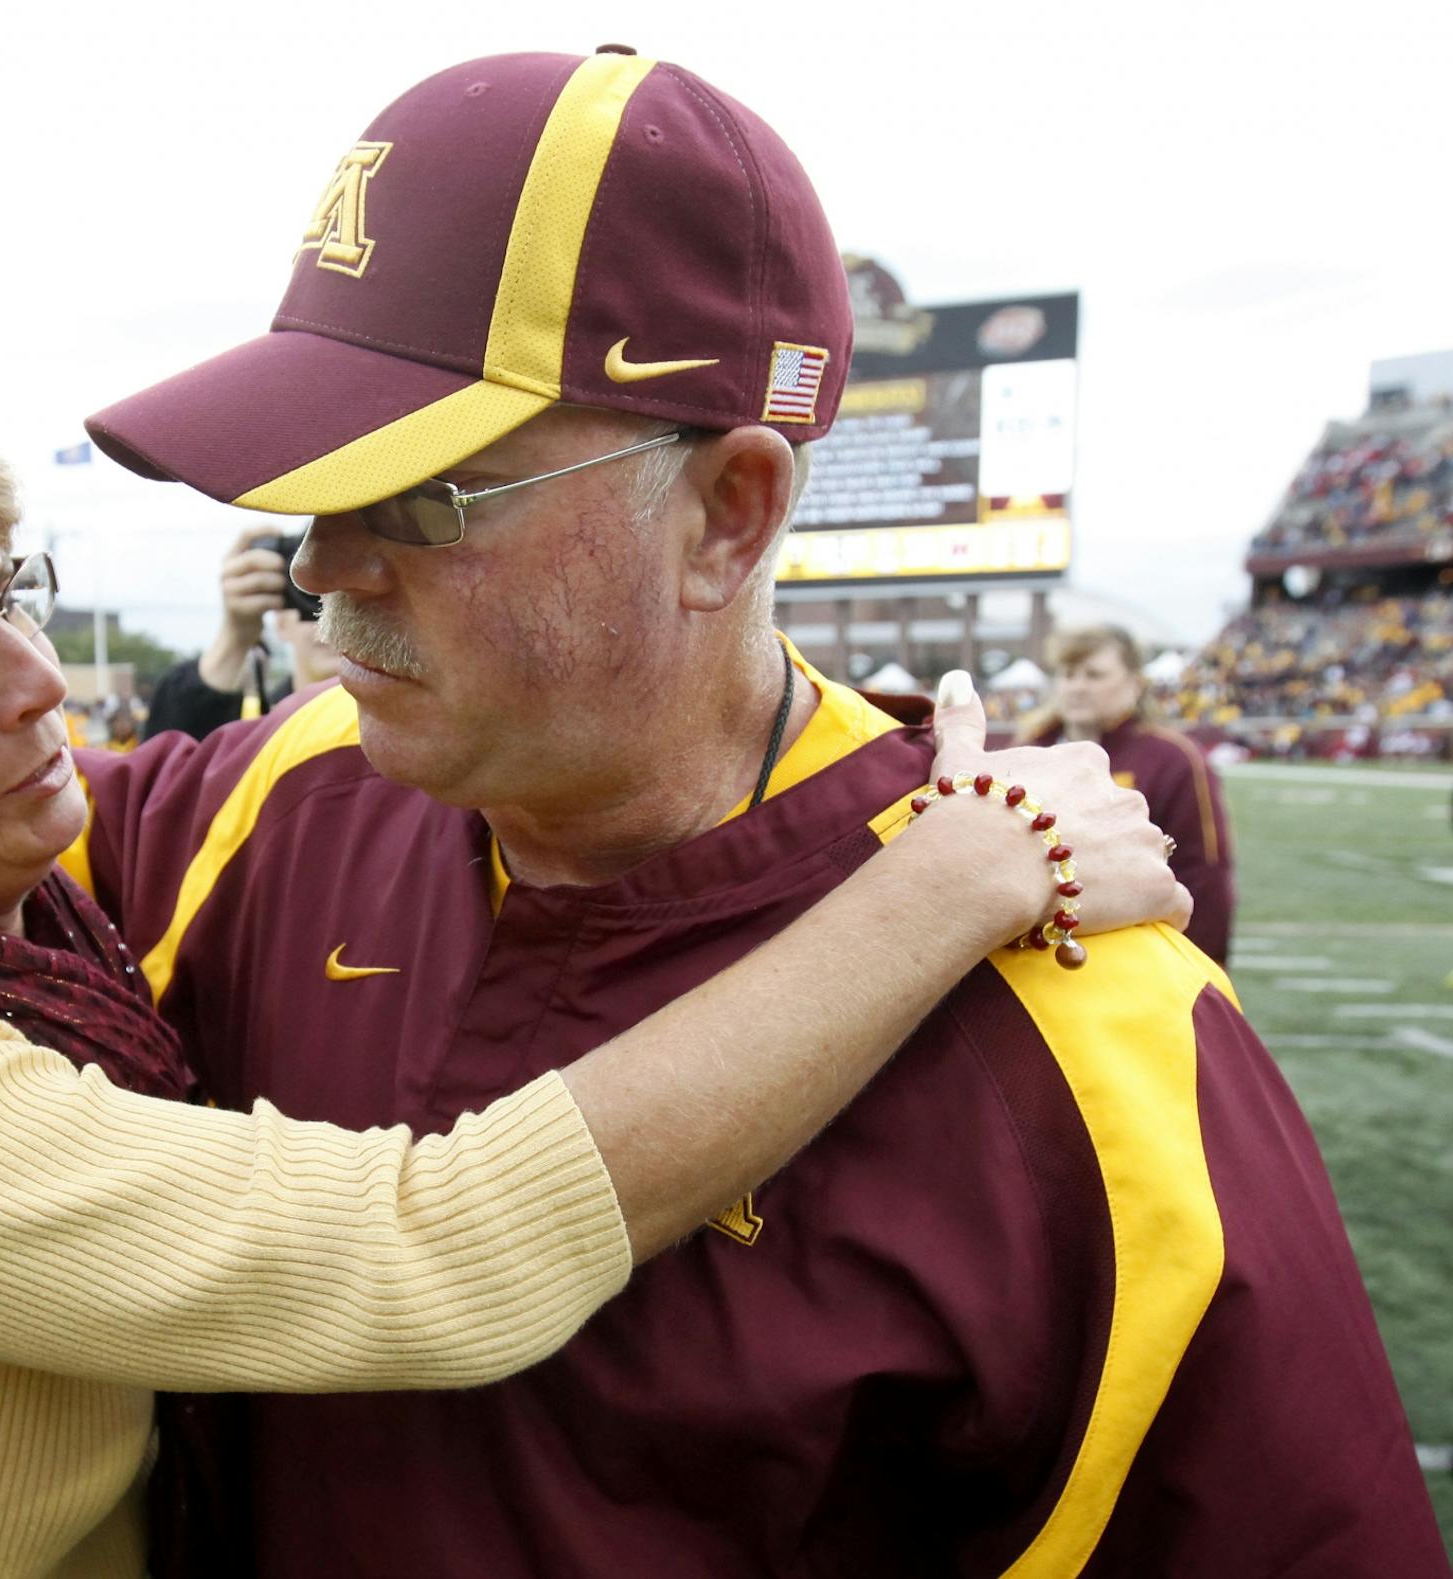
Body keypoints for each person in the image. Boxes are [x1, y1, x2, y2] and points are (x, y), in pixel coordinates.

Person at [79, 47, 1446, 1575]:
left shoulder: (1089, 1028)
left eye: (424, 497)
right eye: (311, 488)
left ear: (729, 513)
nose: (327, 569)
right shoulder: (266, 799)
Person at [0, 384, 1179, 1579]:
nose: (41, 679)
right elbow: (431, 1254)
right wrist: (950, 873)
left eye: (15, 598)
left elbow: (244, 779)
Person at [1018, 624, 1236, 961]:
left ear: (1134, 683)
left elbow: (1203, 874)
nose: (1077, 686)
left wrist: (1201, 969)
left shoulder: (1174, 758)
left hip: (1139, 957)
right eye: (1068, 674)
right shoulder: (1027, 752)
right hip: (1034, 954)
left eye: (1094, 675)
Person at [143, 524, 342, 742]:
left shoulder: (384, 733)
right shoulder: (251, 724)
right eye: (315, 597)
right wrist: (234, 638)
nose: (333, 622)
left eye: (349, 599)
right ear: (281, 622)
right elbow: (173, 765)